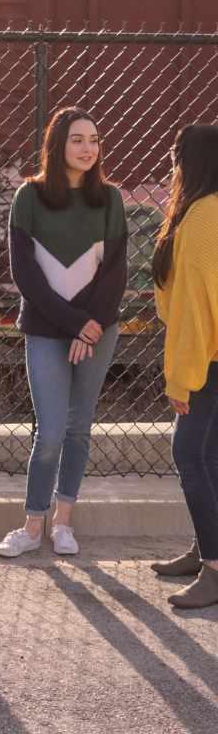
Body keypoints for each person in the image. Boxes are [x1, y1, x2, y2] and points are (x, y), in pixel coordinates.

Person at [0, 106, 127, 558]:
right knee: (49, 432)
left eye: (94, 140)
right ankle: (32, 526)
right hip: (47, 331)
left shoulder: (110, 198)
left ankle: (63, 523)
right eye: (78, 139)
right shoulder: (28, 197)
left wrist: (90, 329)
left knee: (78, 429)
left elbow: (115, 273)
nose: (88, 148)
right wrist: (75, 324)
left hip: (98, 331)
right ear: (58, 144)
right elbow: (25, 275)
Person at [149, 124, 218, 609]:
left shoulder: (199, 221)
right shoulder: (206, 211)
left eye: (175, 156)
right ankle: (204, 550)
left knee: (189, 455)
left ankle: (214, 568)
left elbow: (194, 314)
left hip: (208, 361)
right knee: (209, 457)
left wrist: (180, 379)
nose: (171, 166)